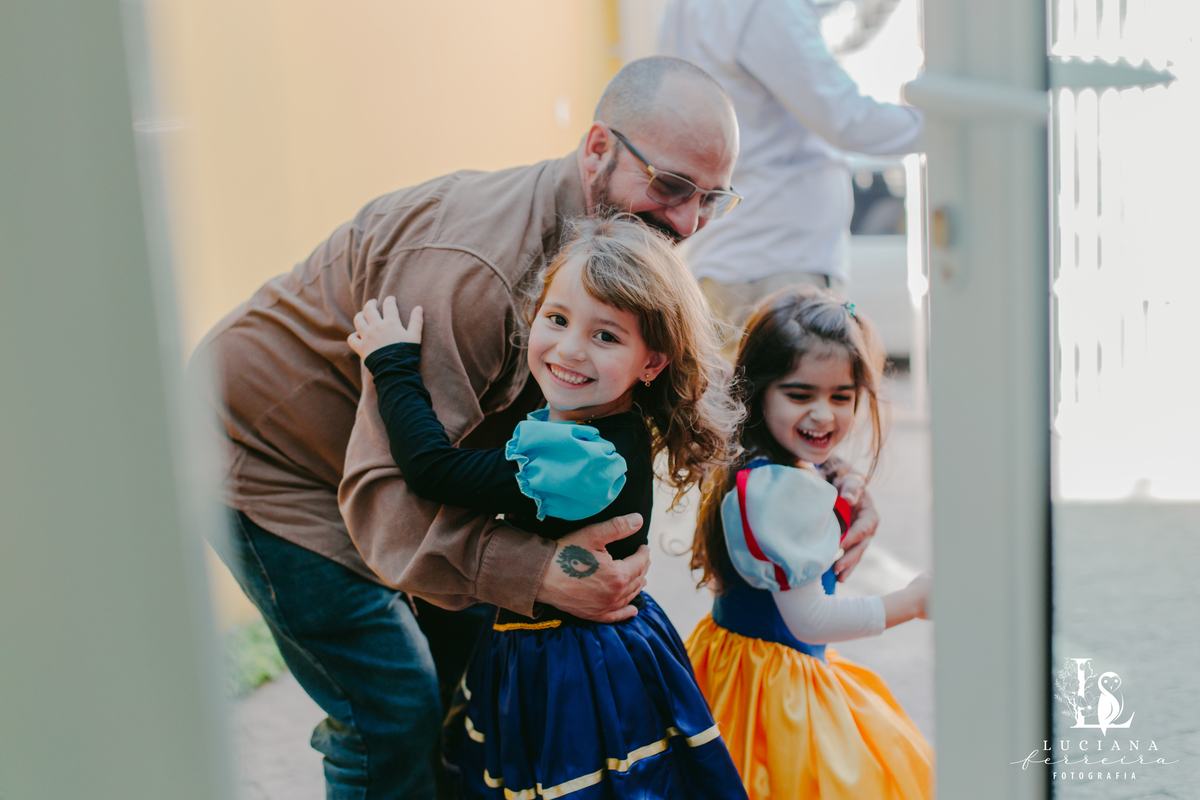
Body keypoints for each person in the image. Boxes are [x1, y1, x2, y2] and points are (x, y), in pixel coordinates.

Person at [194, 57, 871, 800]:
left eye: (712, 200)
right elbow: (392, 485)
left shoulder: (610, 258)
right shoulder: (478, 278)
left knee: (471, 676)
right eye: (671, 186)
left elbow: (692, 410)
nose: (686, 223)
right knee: (392, 713)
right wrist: (536, 572)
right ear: (596, 150)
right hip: (265, 457)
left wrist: (819, 486)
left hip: (406, 455)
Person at [347, 215, 748, 799]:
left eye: (606, 336)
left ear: (652, 362)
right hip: (595, 644)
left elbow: (433, 470)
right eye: (557, 319)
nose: (569, 349)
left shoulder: (574, 461)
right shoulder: (616, 422)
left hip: (569, 664)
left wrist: (392, 364)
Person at [685, 286, 934, 799]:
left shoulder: (758, 457)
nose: (824, 415)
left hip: (736, 664)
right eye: (801, 395)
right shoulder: (780, 493)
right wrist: (910, 602)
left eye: (841, 397)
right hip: (776, 688)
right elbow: (811, 619)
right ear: (758, 392)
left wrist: (840, 479)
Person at [657, 0, 925, 332]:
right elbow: (847, 119)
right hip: (778, 261)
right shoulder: (763, 9)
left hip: (730, 257)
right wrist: (940, 129)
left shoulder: (684, 9)